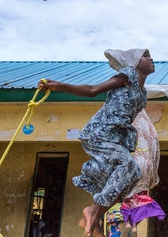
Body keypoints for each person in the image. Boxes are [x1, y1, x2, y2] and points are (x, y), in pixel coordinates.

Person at [38, 48, 155, 237]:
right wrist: (59, 86)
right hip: (100, 132)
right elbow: (93, 90)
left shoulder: (143, 92)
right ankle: (92, 211)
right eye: (145, 55)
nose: (151, 58)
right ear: (134, 62)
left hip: (117, 139)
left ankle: (93, 217)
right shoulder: (127, 76)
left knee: (129, 179)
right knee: (129, 165)